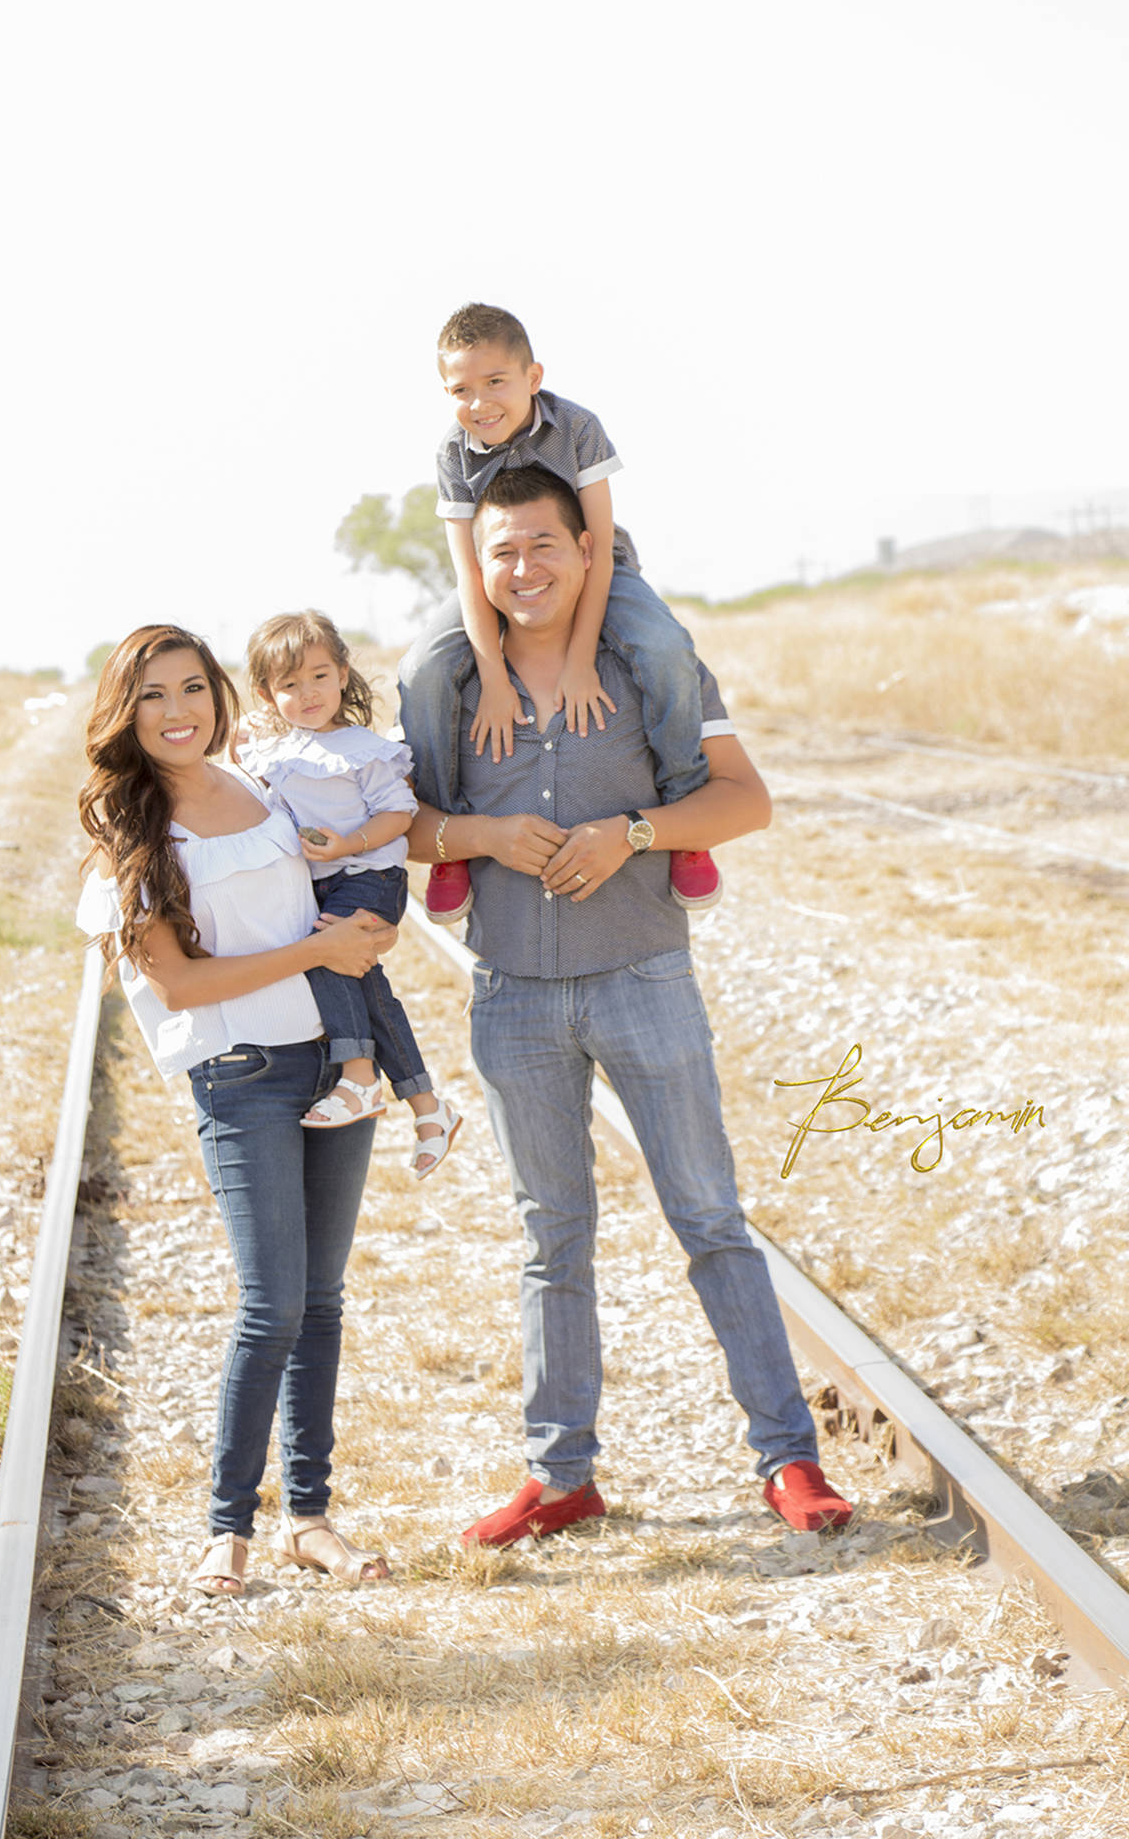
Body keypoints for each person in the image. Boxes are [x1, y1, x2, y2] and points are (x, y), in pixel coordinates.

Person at [403, 467, 853, 1545]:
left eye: (542, 545)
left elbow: (746, 799)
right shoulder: (452, 683)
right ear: (477, 565)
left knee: (709, 1220)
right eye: (502, 551)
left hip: (645, 980)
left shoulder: (650, 664)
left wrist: (635, 834)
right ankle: (561, 1476)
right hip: (512, 998)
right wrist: (482, 836)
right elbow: (399, 825)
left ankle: (789, 1460)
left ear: (586, 551)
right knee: (549, 1238)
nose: (523, 569)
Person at [77, 623, 394, 1597]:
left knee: (322, 1299)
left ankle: (309, 1519)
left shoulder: (261, 783)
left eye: (191, 688)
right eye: (152, 695)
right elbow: (178, 983)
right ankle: (227, 1528)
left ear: (219, 695)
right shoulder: (137, 831)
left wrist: (363, 928)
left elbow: (344, 862)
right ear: (125, 715)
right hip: (240, 1072)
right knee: (271, 1305)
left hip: (330, 1059)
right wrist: (317, 952)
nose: (177, 711)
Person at [398, 300, 722, 924]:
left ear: (533, 377)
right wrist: (493, 678)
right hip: (498, 574)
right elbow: (469, 571)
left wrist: (580, 662)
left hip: (596, 564)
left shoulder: (576, 428)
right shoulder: (453, 454)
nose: (479, 402)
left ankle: (685, 815)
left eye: (496, 381)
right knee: (423, 669)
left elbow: (596, 547)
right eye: (461, 390)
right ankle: (452, 841)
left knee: (663, 647)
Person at [240, 608, 461, 1176]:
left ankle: (359, 1077)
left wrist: (349, 843)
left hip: (369, 874)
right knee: (368, 990)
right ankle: (428, 1107)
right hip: (321, 884)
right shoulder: (275, 752)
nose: (308, 693)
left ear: (342, 674)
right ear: (267, 695)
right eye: (290, 685)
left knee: (323, 955)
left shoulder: (362, 749)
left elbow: (399, 814)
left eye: (319, 676)